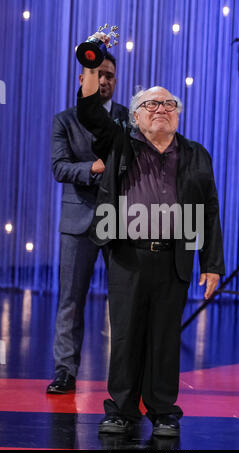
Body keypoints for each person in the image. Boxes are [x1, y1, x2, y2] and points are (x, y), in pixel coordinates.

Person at [76, 33, 225, 437]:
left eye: (169, 104)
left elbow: (209, 209)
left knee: (164, 338)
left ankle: (163, 411)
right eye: (152, 104)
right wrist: (92, 62)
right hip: (127, 254)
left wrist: (212, 264)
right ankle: (121, 410)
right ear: (137, 115)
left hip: (175, 257)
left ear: (178, 114)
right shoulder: (120, 142)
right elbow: (90, 110)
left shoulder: (196, 153)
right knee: (125, 335)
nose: (162, 109)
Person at [47, 53, 129, 394]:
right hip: (77, 220)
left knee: (125, 302)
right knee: (70, 300)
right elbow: (59, 168)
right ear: (83, 81)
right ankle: (65, 371)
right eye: (97, 74)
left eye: (109, 75)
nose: (104, 80)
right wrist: (93, 169)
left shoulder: (129, 118)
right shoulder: (64, 120)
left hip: (120, 220)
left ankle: (126, 378)